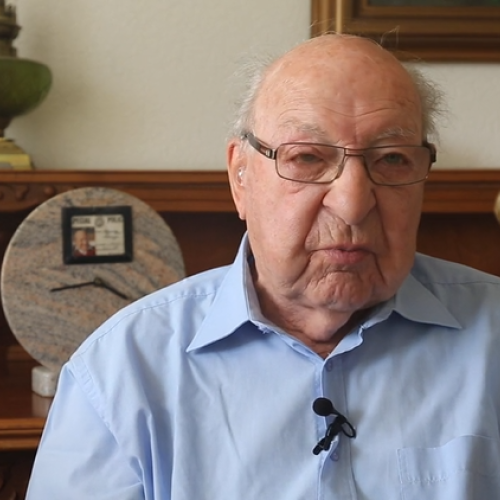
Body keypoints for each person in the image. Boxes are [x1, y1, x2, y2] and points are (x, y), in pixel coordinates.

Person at [26, 34, 500, 499]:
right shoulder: (121, 371)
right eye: (307, 157)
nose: (353, 204)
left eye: (392, 159)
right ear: (241, 177)